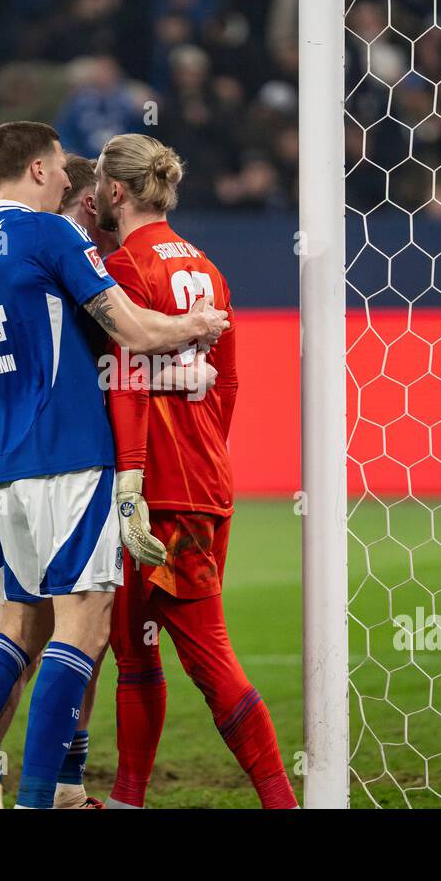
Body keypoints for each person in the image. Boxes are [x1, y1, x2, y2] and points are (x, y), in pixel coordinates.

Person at [0, 121, 227, 809]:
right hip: (68, 455)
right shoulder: (52, 234)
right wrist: (196, 326)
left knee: (16, 629)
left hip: (2, 466)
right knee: (83, 630)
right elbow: (135, 330)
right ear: (34, 169)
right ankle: (37, 798)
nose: (69, 183)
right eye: (60, 170)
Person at [97, 133, 298, 809]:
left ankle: (282, 802)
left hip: (156, 490)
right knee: (135, 644)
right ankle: (127, 800)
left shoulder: (125, 267)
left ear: (116, 191)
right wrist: (204, 441)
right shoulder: (208, 269)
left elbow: (125, 375)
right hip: (203, 477)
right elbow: (232, 379)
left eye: (99, 182)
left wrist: (136, 481)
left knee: (204, 655)